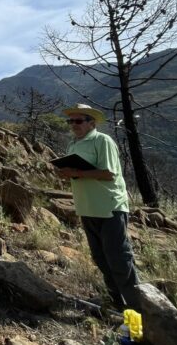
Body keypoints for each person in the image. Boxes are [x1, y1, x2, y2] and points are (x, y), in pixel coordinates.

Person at [56, 104, 140, 311]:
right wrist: (66, 173)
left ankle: (139, 309)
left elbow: (108, 173)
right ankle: (117, 303)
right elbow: (80, 175)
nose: (74, 125)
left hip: (109, 207)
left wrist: (78, 173)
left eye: (79, 121)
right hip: (87, 207)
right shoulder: (73, 145)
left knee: (119, 259)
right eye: (71, 121)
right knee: (101, 258)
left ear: (91, 122)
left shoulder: (103, 140)